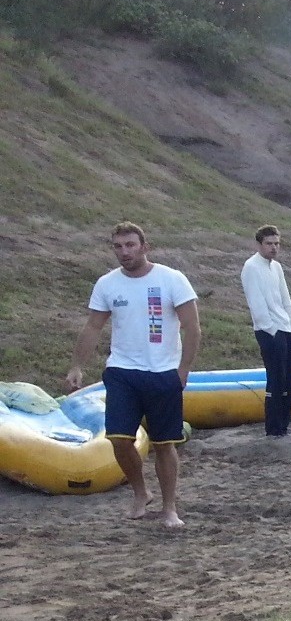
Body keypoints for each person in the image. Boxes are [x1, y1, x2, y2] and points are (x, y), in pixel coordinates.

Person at [66, 222, 200, 529]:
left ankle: (170, 509)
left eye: (130, 245)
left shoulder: (171, 279)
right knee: (118, 439)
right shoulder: (107, 284)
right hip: (122, 370)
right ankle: (141, 492)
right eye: (118, 246)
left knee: (164, 443)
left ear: (144, 246)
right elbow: (93, 327)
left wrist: (184, 369)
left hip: (163, 371)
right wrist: (77, 365)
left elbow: (192, 327)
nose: (124, 252)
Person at [241, 225, 291, 437]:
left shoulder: (276, 267)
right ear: (259, 245)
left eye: (276, 243)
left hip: (287, 328)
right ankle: (273, 428)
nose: (274, 248)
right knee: (276, 380)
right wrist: (271, 330)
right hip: (270, 331)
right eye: (269, 244)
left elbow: (285, 298)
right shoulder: (251, 267)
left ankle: (284, 425)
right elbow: (256, 303)